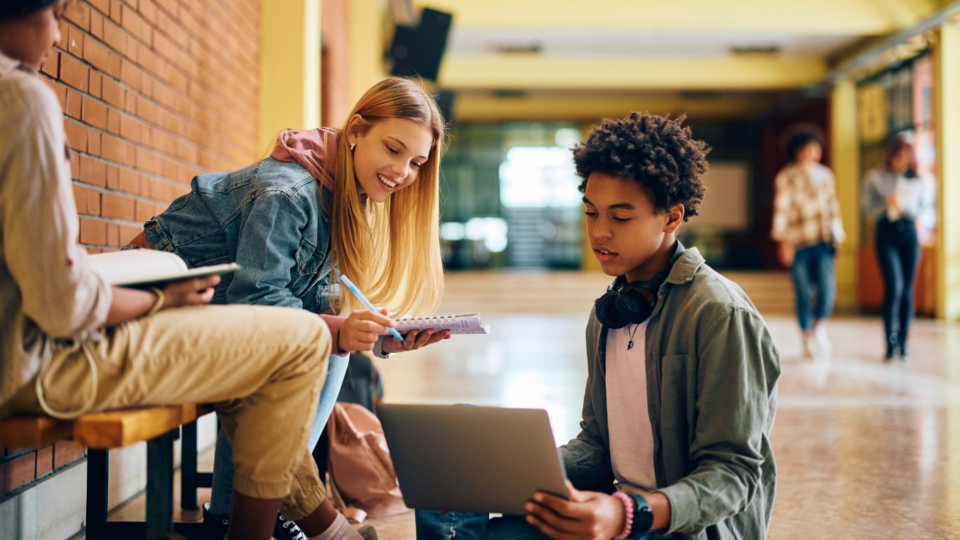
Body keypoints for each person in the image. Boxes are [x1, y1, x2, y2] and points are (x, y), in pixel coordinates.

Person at [0, 3, 337, 540]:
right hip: (34, 364)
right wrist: (161, 299)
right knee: (300, 341)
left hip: (31, 345)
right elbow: (60, 303)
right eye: (55, 16)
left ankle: (316, 526)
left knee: (282, 346)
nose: (58, 38)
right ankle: (278, 528)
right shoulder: (20, 97)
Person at [416, 112, 780, 540]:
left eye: (620, 218)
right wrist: (515, 469)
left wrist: (627, 512)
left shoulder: (719, 315)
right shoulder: (612, 310)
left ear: (671, 217)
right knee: (456, 456)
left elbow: (733, 477)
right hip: (616, 513)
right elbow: (599, 446)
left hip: (679, 528)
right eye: (591, 213)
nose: (600, 233)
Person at [128, 77, 451, 539]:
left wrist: (376, 336)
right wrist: (339, 330)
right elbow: (257, 302)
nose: (403, 171)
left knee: (321, 355)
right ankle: (278, 518)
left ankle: (246, 513)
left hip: (214, 325)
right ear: (357, 129)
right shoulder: (288, 193)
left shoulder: (345, 193)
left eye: (416, 162)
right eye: (394, 149)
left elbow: (308, 304)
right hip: (146, 320)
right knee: (287, 363)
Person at [771, 127, 844, 360]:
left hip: (823, 242)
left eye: (817, 146)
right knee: (803, 292)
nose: (815, 151)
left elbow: (833, 208)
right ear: (799, 150)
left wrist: (837, 237)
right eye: (810, 146)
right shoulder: (786, 177)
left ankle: (818, 326)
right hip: (798, 243)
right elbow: (781, 211)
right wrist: (783, 242)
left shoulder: (825, 175)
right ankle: (806, 336)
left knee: (826, 291)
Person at [861, 136, 935, 361]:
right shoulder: (874, 178)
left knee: (907, 290)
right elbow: (867, 209)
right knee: (894, 287)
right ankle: (889, 342)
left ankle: (903, 341)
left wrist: (906, 206)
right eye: (897, 157)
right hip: (886, 234)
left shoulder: (920, 181)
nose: (900, 162)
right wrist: (886, 204)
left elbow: (926, 210)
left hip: (910, 234)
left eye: (905, 158)